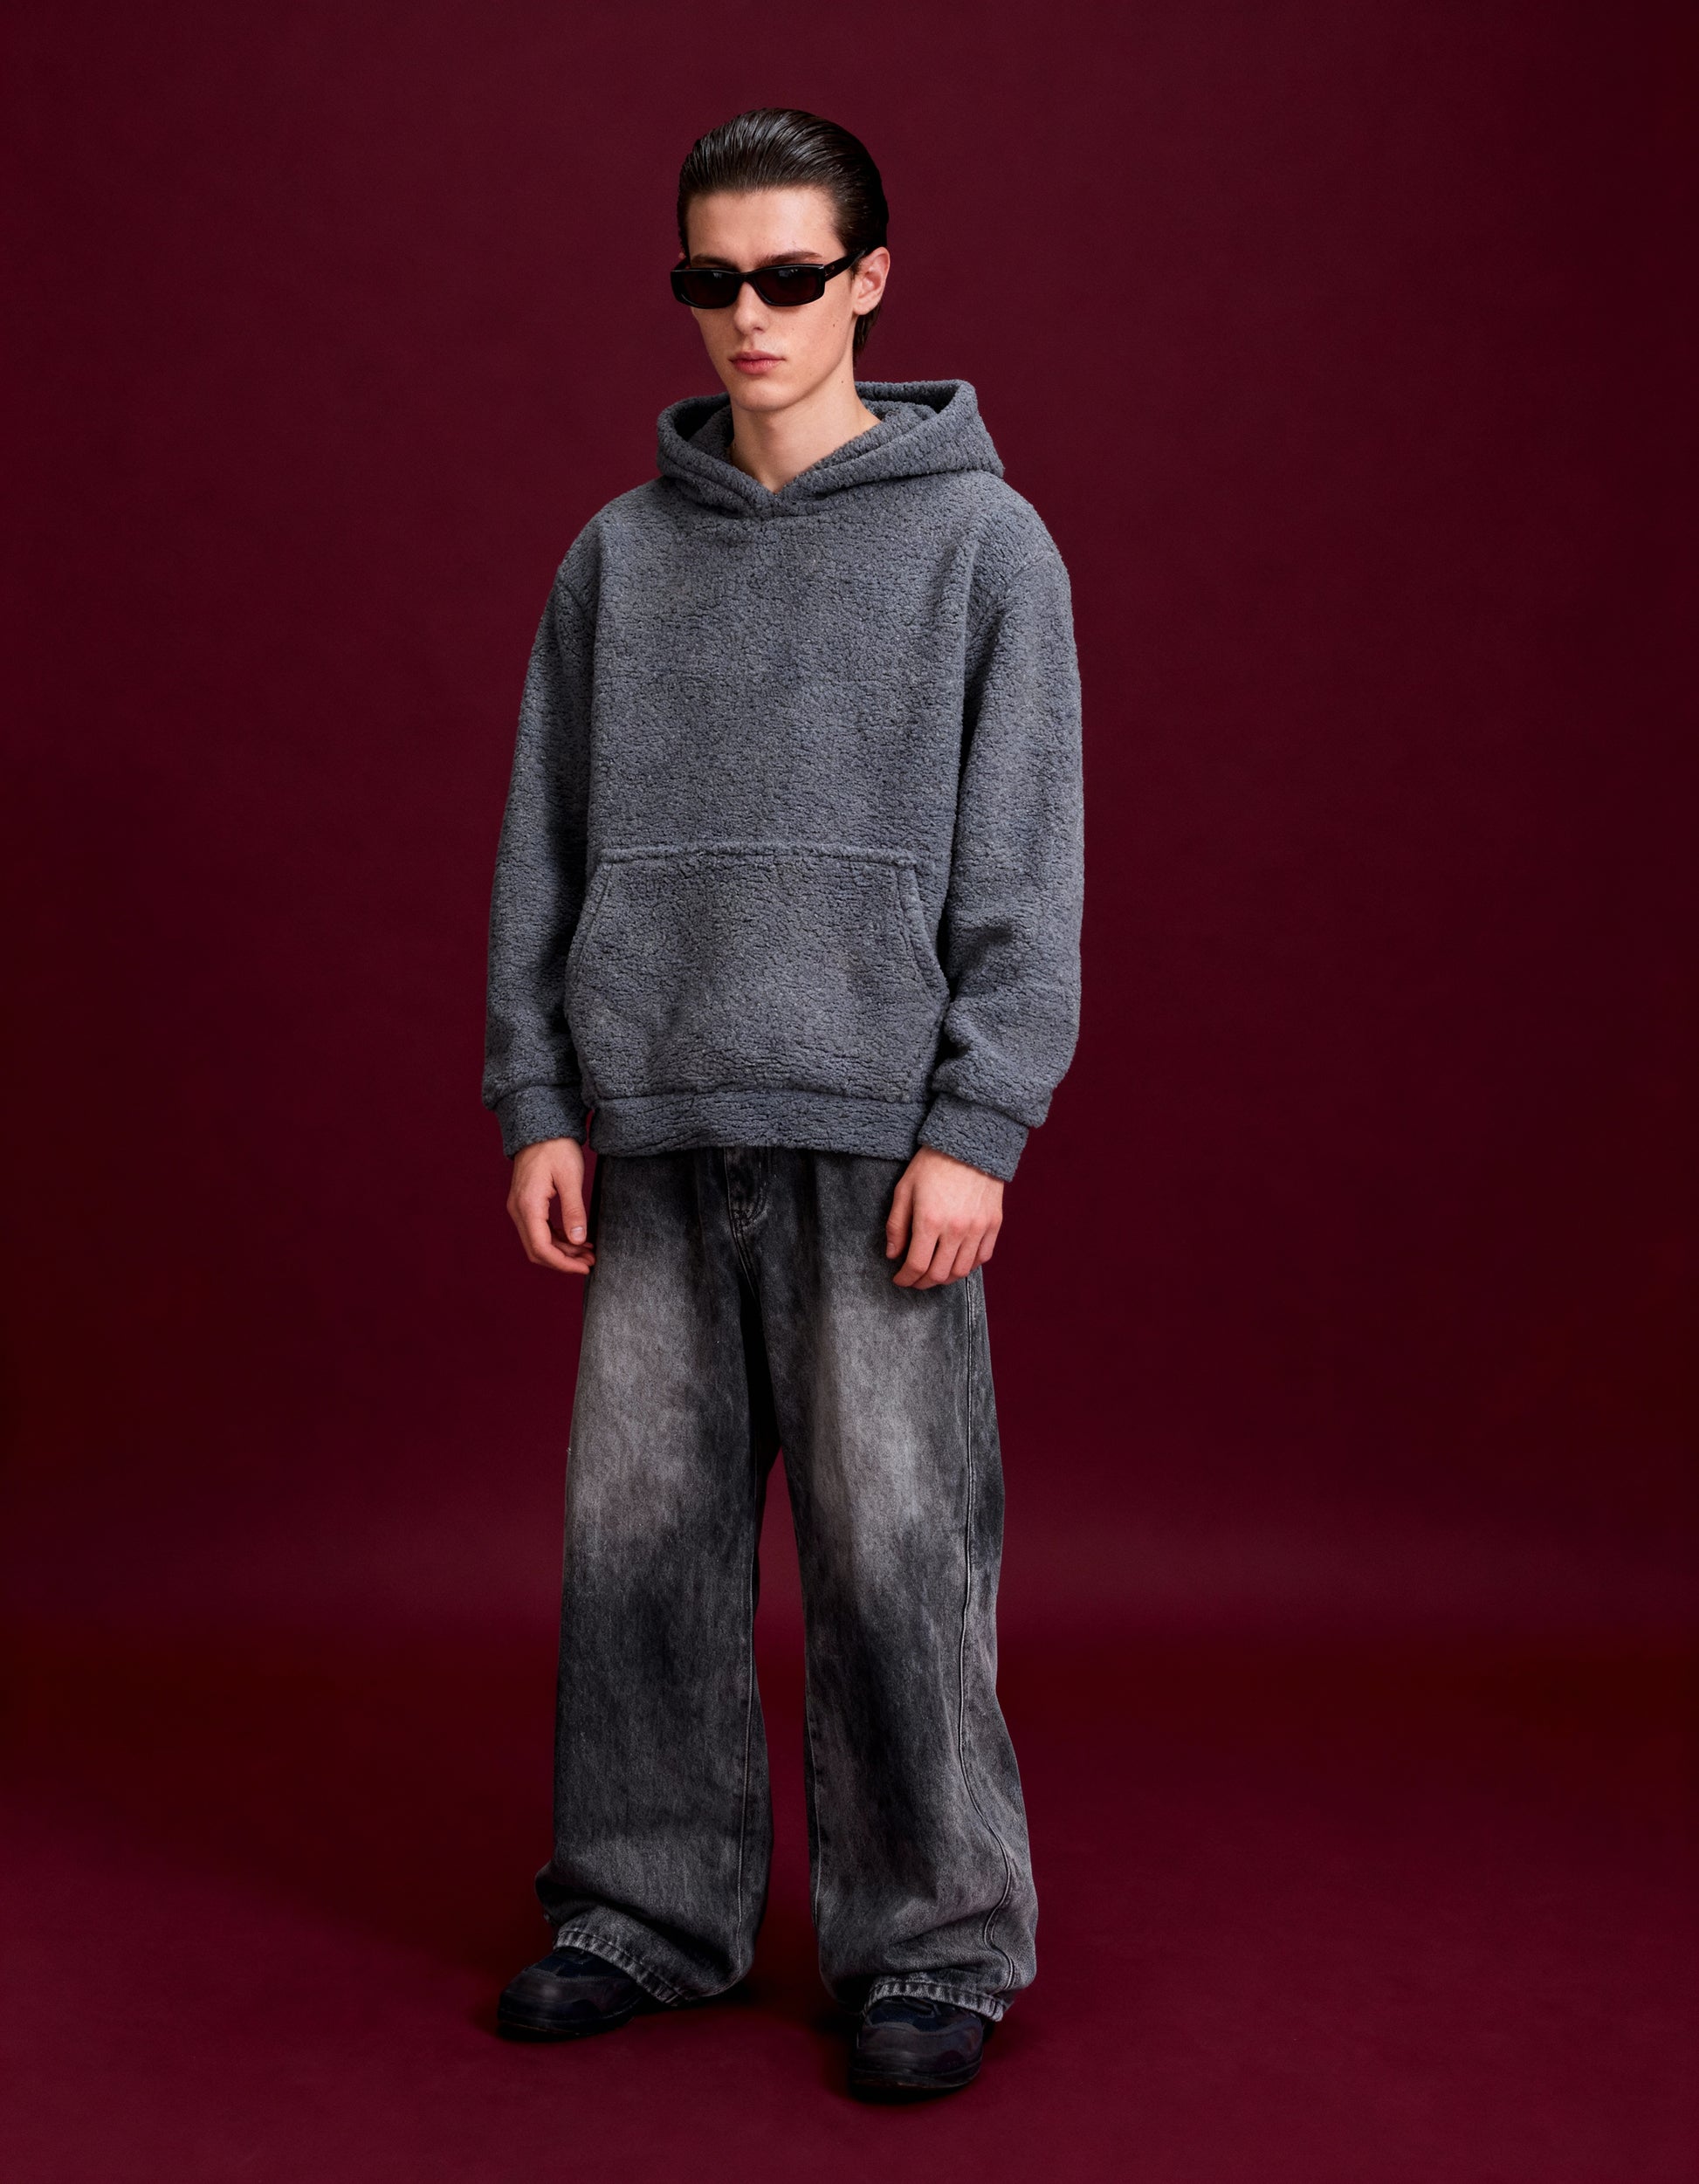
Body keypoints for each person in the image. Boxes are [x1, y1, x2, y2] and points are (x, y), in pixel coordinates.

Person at [480, 106, 1083, 2100]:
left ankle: (934, 1945)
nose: (749, 315)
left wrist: (978, 1123)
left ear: (869, 281)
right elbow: (543, 847)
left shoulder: (984, 549)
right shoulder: (617, 559)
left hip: (876, 1135)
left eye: (790, 276)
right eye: (710, 278)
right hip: (654, 1127)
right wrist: (537, 1095)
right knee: (639, 1545)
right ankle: (640, 1911)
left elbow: (1027, 867)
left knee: (899, 1548)